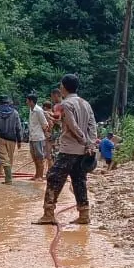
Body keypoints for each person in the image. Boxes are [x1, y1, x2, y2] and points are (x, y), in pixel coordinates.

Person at [35, 74, 97, 226]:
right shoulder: (85, 103)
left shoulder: (66, 104)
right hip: (83, 151)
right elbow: (92, 126)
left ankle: (48, 214)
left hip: (69, 149)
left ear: (63, 87)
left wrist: (82, 139)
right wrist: (89, 144)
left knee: (53, 178)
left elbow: (72, 125)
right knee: (79, 180)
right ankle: (84, 213)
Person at [0, 95, 23, 184]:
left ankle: (8, 179)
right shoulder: (15, 113)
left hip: (0, 138)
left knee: (4, 158)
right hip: (12, 139)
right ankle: (8, 178)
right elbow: (18, 127)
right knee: (9, 158)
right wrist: (20, 140)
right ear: (8, 102)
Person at [26, 94, 49, 182]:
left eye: (27, 100)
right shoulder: (31, 110)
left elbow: (45, 124)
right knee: (34, 157)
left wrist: (45, 134)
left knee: (40, 157)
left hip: (38, 137)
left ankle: (40, 176)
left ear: (31, 101)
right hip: (32, 137)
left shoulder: (39, 110)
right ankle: (37, 175)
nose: (26, 102)